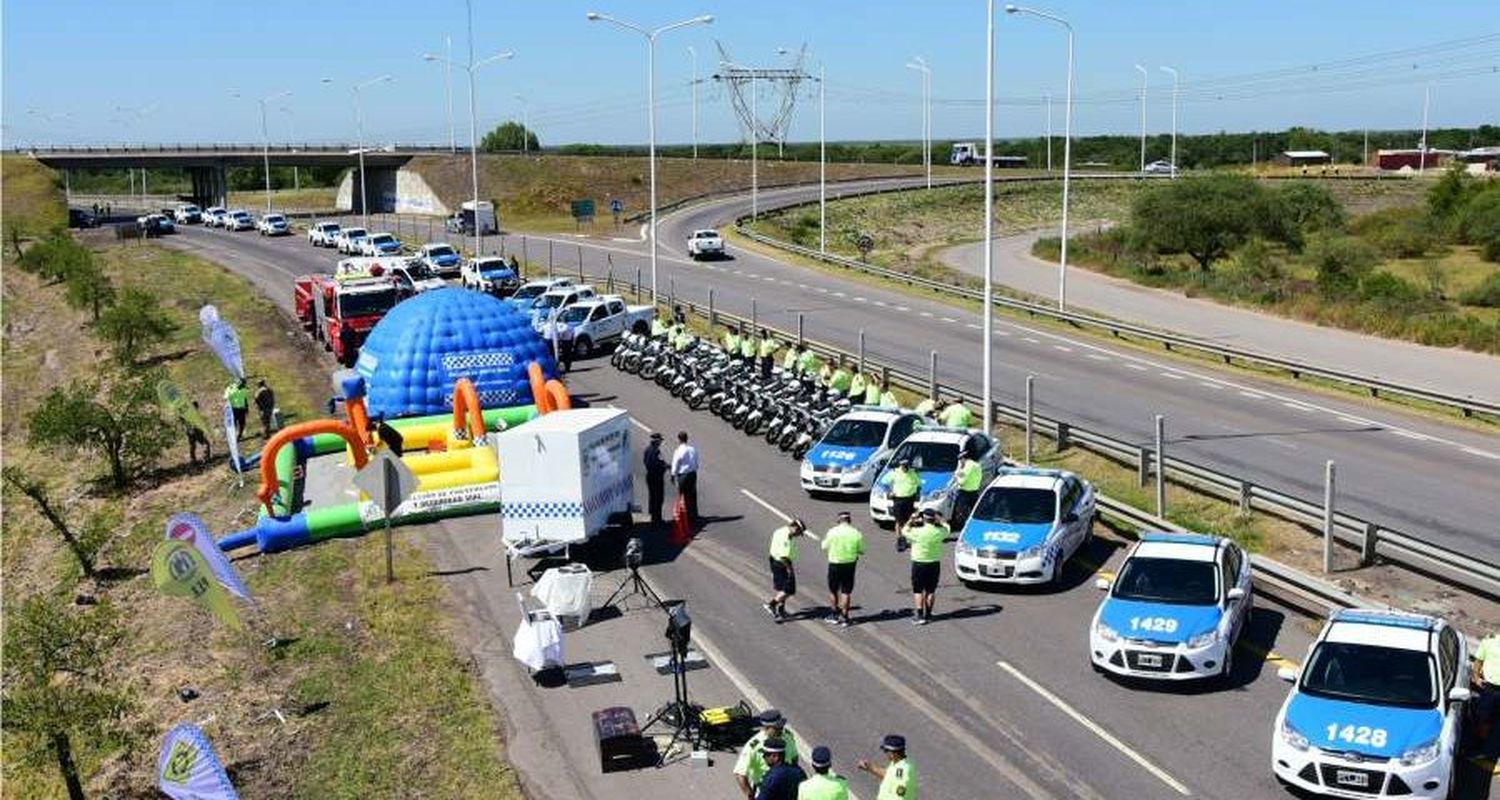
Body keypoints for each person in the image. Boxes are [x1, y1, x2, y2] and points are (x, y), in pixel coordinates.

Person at [734, 709, 802, 799]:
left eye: (781, 726)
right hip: (766, 790)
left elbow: (794, 758)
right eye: (777, 728)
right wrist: (750, 795)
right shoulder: (754, 746)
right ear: (766, 728)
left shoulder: (787, 736)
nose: (781, 730)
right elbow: (740, 774)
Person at [903, 509, 950, 625]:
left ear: (923, 519)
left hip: (919, 563)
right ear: (934, 519)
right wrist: (941, 520)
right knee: (931, 590)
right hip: (934, 563)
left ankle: (920, 615)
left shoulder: (917, 531)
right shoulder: (939, 531)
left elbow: (904, 530)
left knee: (918, 590)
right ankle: (928, 614)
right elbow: (948, 528)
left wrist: (911, 519)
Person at [821, 511, 866, 627]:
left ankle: (834, 615)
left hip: (835, 563)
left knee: (833, 590)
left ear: (839, 521)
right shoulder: (856, 533)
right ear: (849, 520)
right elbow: (862, 550)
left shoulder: (832, 532)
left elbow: (824, 546)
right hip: (850, 564)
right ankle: (845, 617)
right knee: (846, 591)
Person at [764, 518, 805, 622]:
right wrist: (789, 569)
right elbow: (783, 556)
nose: (798, 535)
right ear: (794, 527)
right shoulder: (786, 537)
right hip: (781, 563)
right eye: (798, 532)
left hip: (773, 560)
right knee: (789, 589)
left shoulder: (780, 530)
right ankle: (772, 605)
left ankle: (781, 611)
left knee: (781, 588)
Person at [857, 735, 916, 800]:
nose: (885, 753)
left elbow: (900, 795)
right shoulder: (898, 763)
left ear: (894, 753)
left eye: (886, 751)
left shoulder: (902, 770)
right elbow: (889, 775)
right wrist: (870, 767)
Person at [1473, 631, 1500, 741]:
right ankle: (1482, 745)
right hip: (1489, 688)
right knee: (1483, 717)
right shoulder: (1489, 642)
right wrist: (1476, 678)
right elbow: (1478, 661)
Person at [886, 459, 921, 541]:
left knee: (908, 520)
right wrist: (890, 492)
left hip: (909, 499)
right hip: (898, 499)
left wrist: (917, 493)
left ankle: (907, 537)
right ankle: (899, 538)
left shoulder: (913, 473)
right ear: (900, 465)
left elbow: (919, 484)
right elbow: (884, 483)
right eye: (904, 466)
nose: (905, 468)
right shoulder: (894, 473)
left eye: (907, 466)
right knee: (899, 521)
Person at [671, 430, 699, 524]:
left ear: (679, 439)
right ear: (687, 439)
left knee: (682, 495)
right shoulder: (692, 449)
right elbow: (696, 462)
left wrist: (673, 475)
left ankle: (684, 516)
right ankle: (693, 516)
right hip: (693, 474)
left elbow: (676, 463)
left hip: (683, 475)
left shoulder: (679, 450)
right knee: (692, 495)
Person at [951, 451, 983, 530]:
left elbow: (962, 481)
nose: (960, 462)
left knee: (960, 511)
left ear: (963, 458)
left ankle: (963, 527)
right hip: (975, 491)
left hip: (965, 492)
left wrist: (956, 478)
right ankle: (976, 525)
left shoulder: (968, 466)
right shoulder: (977, 465)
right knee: (974, 510)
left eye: (960, 460)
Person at [643, 432, 668, 524]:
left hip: (650, 476)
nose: (661, 442)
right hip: (656, 477)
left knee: (653, 497)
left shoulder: (647, 450)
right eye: (660, 441)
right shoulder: (656, 451)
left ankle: (653, 517)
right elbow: (659, 464)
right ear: (657, 441)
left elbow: (646, 463)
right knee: (658, 498)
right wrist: (666, 467)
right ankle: (657, 519)